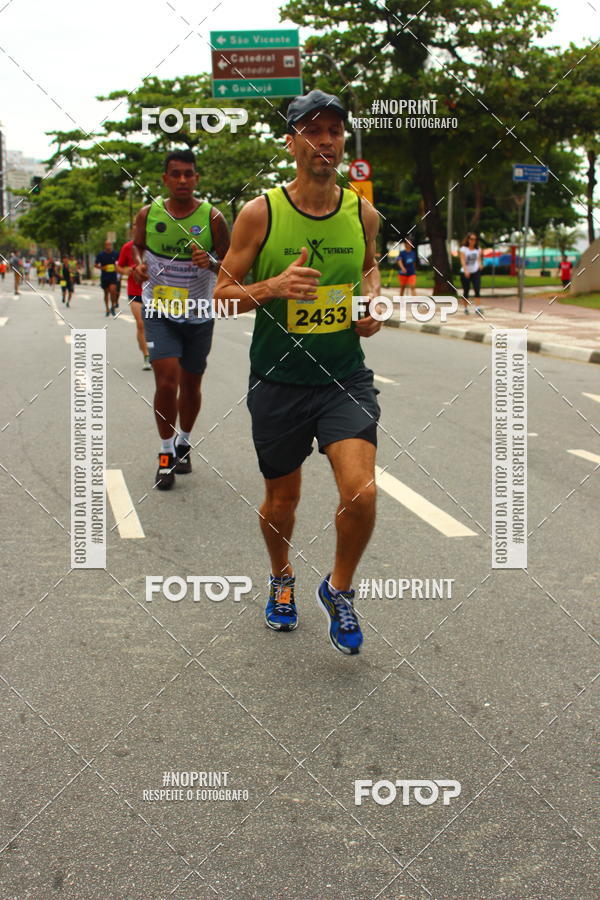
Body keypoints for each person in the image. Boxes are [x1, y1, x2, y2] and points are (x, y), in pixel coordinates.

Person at [214, 89, 382, 656]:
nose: (326, 141)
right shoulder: (260, 212)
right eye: (313, 130)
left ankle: (338, 589)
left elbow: (370, 270)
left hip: (342, 379)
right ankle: (282, 575)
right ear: (291, 142)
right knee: (281, 501)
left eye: (335, 131)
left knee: (360, 493)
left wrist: (371, 307)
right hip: (278, 381)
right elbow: (221, 295)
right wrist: (273, 287)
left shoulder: (363, 212)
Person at [131, 149, 230, 489]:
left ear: (197, 178)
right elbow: (137, 247)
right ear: (165, 179)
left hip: (199, 313)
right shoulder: (148, 214)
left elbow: (233, 266)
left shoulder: (214, 218)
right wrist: (140, 265)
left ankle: (183, 442)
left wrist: (212, 264)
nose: (183, 180)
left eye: (189, 174)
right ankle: (164, 454)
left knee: (191, 385)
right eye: (176, 174)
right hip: (159, 311)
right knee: (166, 380)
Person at [117, 233, 151, 370]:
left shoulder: (156, 245)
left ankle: (159, 352)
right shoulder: (127, 247)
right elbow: (119, 267)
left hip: (156, 292)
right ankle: (147, 355)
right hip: (135, 291)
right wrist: (129, 271)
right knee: (141, 324)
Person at [459, 232, 483, 314]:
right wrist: (465, 270)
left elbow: (478, 260)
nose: (473, 241)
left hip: (475, 271)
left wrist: (480, 265)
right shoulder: (463, 249)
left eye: (475, 239)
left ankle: (478, 307)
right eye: (471, 239)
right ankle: (465, 308)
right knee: (466, 290)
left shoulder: (478, 249)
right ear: (468, 240)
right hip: (465, 272)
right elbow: (462, 260)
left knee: (477, 288)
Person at [95, 240, 120, 316]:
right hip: (104, 276)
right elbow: (95, 265)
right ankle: (107, 309)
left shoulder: (115, 254)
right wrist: (102, 268)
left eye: (109, 245)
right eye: (107, 245)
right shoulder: (101, 255)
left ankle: (113, 306)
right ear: (105, 245)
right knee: (106, 293)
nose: (108, 246)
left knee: (113, 291)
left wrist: (118, 268)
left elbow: (120, 262)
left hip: (113, 275)